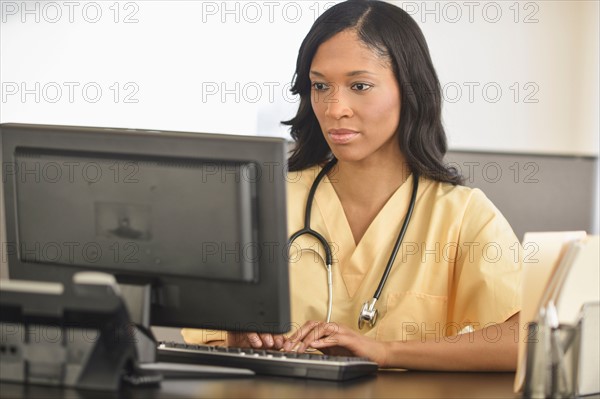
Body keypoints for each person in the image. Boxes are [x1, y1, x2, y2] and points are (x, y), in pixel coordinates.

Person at [183, 0, 521, 371]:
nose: (334, 108)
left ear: (410, 90)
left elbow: (526, 339)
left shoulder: (462, 214)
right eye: (320, 86)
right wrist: (239, 339)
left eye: (360, 85)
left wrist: (385, 352)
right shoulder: (262, 202)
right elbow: (206, 332)